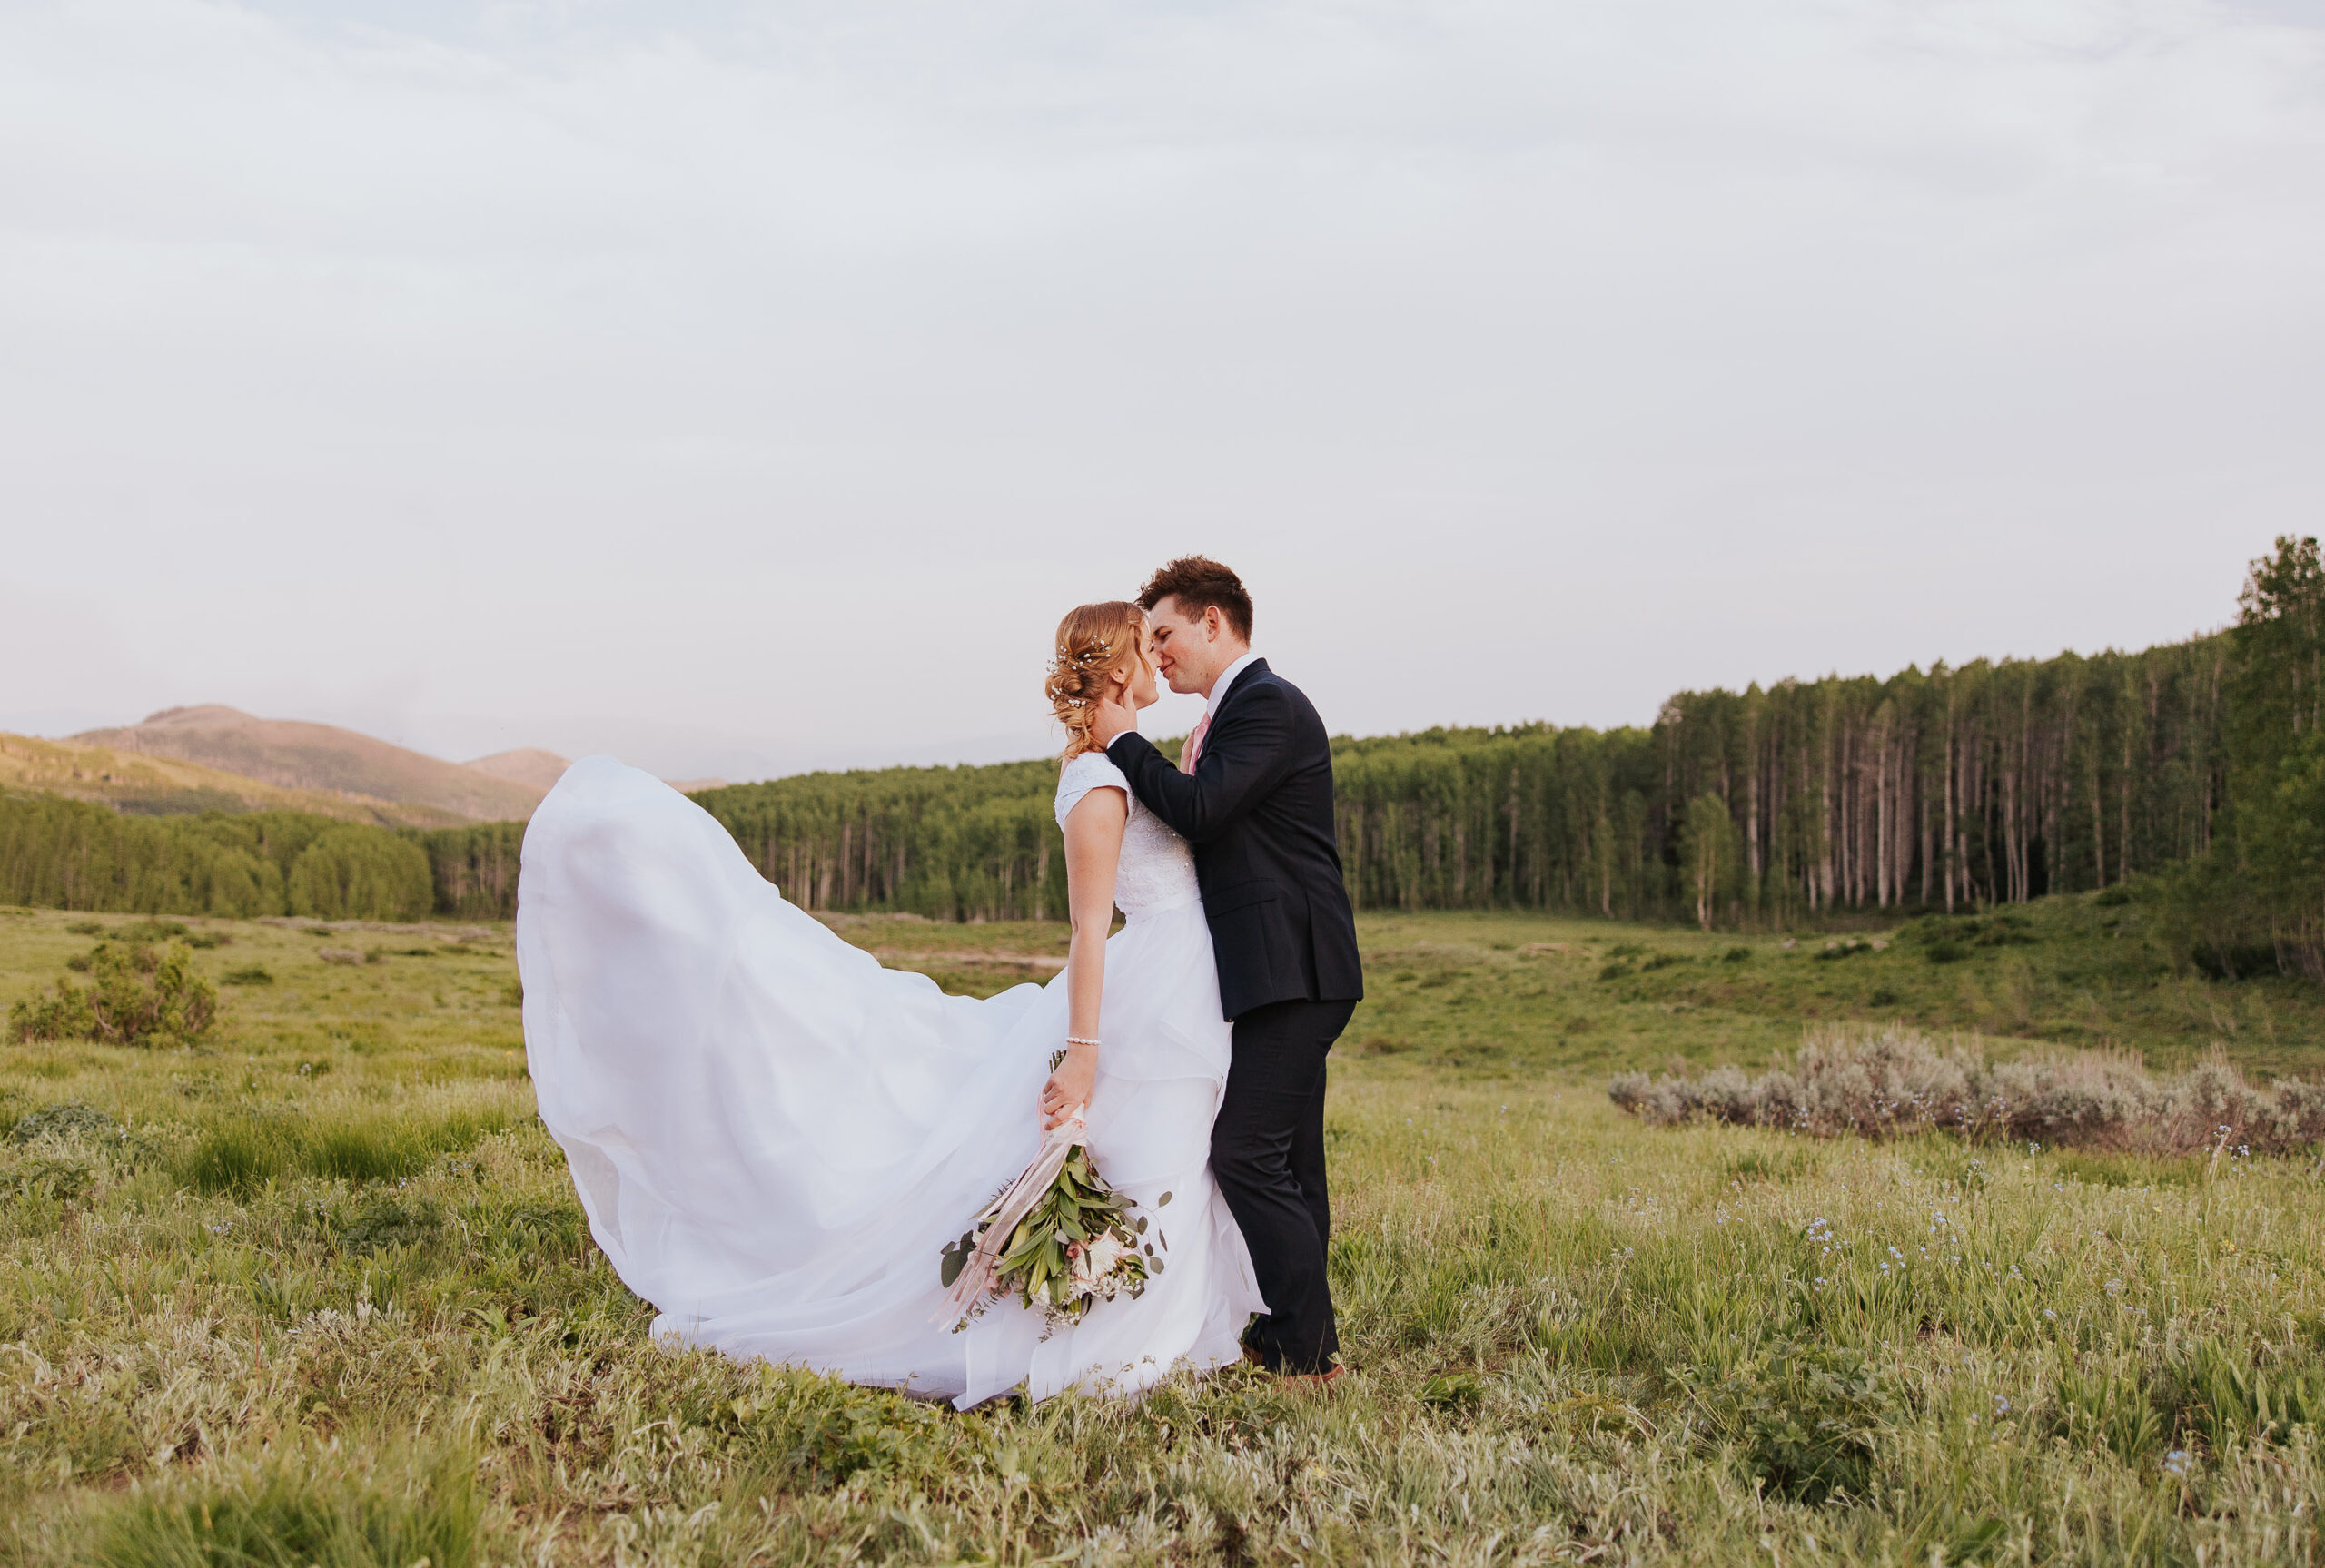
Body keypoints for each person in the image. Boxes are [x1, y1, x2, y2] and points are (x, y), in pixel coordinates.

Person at [515, 601, 1261, 1406]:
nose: (1158, 652)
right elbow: (1088, 929)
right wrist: (1082, 1050)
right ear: (1118, 668)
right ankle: (1108, 1337)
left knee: (1168, 1148)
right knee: (1145, 1144)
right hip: (1149, 983)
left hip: (1178, 977)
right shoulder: (1098, 781)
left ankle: (1154, 1322)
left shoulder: (1129, 758)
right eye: (1144, 644)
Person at [1091, 557, 1363, 1381]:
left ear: (1216, 622)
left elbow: (1203, 810)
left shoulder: (1267, 706)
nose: (1159, 651)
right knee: (1290, 1158)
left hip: (1295, 967)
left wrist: (1122, 742)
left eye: (1167, 633)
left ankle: (1308, 1352)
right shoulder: (1232, 712)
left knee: (1246, 1150)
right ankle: (1298, 1334)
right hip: (1277, 967)